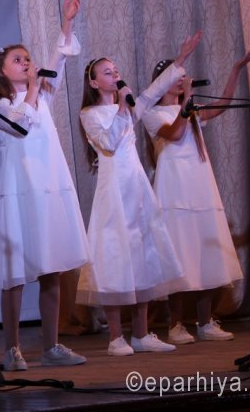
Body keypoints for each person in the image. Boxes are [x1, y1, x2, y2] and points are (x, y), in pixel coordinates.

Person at [76, 31, 201, 356]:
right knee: (115, 257)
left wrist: (180, 60)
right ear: (94, 82)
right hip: (114, 191)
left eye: (115, 70)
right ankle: (116, 336)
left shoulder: (130, 107)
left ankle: (142, 333)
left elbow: (155, 90)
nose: (114, 74)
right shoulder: (90, 114)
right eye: (107, 72)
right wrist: (123, 105)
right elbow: (108, 142)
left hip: (137, 188)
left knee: (143, 254)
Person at [0, 0, 90, 370]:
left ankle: (51, 345)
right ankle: (11, 348)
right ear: (2, 71)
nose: (27, 63)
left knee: (52, 267)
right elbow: (20, 125)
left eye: (28, 58)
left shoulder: (42, 94)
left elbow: (59, 58)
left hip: (48, 188)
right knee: (15, 273)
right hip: (20, 191)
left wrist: (67, 22)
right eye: (18, 60)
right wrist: (33, 87)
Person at [143, 50, 250, 345]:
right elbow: (174, 134)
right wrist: (187, 103)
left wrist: (236, 69)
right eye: (176, 77)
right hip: (173, 189)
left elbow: (222, 105)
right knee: (179, 251)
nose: (182, 81)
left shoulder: (191, 110)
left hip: (199, 184)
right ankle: (175, 324)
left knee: (205, 251)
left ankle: (205, 321)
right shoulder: (152, 113)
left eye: (183, 77)